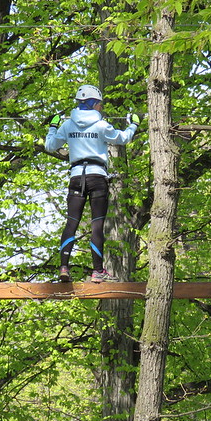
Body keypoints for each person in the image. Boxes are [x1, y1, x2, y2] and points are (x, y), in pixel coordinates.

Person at [45, 84, 139, 283]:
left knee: (71, 222)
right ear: (94, 104)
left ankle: (64, 267)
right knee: (97, 225)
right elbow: (123, 138)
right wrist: (133, 125)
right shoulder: (101, 125)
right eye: (100, 105)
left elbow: (50, 145)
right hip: (97, 178)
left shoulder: (68, 125)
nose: (101, 108)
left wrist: (52, 127)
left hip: (77, 177)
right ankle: (97, 271)